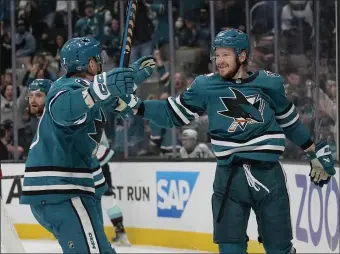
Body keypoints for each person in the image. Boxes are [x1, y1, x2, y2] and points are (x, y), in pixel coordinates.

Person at [122, 29, 336, 253]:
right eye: (217, 55)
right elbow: (172, 113)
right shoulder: (205, 86)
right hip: (229, 180)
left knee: (279, 249)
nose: (219, 61)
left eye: (225, 55)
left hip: (268, 177)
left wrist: (312, 152)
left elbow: (290, 123)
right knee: (230, 249)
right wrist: (136, 106)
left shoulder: (269, 84)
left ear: (242, 56)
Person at [19, 36, 154, 253]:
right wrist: (104, 87)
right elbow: (67, 108)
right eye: (98, 60)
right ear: (90, 64)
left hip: (74, 186)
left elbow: (121, 105)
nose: (101, 64)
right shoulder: (65, 88)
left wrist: (131, 80)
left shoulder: (88, 90)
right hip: (63, 189)